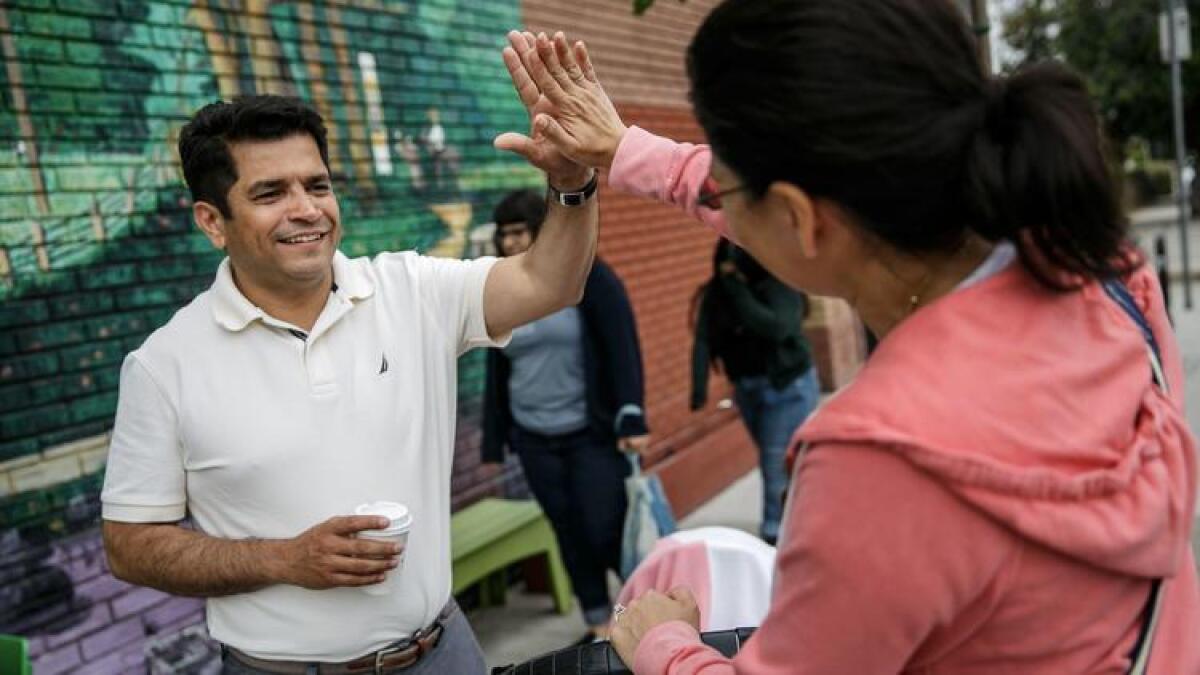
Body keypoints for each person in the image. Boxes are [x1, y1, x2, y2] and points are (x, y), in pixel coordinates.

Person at [503, 8, 1200, 673]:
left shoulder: (877, 458)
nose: (716, 191)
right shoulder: (1105, 273)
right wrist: (625, 149)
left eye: (727, 183)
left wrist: (666, 644)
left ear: (799, 218)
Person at [99, 36, 602, 675]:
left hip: (444, 651)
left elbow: (550, 282)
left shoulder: (410, 290)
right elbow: (130, 545)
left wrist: (572, 181)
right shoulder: (163, 365)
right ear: (212, 221)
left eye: (317, 185)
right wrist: (282, 559)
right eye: (270, 193)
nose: (306, 210)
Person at [482, 188, 650, 643]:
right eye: (504, 234)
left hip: (590, 432)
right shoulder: (500, 289)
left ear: (541, 231)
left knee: (605, 527)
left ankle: (642, 614)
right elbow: (496, 369)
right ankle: (598, 623)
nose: (511, 242)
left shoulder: (588, 278)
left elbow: (622, 348)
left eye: (520, 232)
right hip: (533, 436)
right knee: (568, 531)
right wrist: (496, 437)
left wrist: (632, 415)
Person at [691, 239, 819, 545]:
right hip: (748, 389)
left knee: (773, 463)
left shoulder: (779, 284)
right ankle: (804, 519)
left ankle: (775, 536)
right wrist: (698, 387)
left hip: (788, 387)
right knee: (783, 461)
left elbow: (775, 327)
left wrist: (738, 289)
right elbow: (703, 339)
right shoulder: (717, 293)